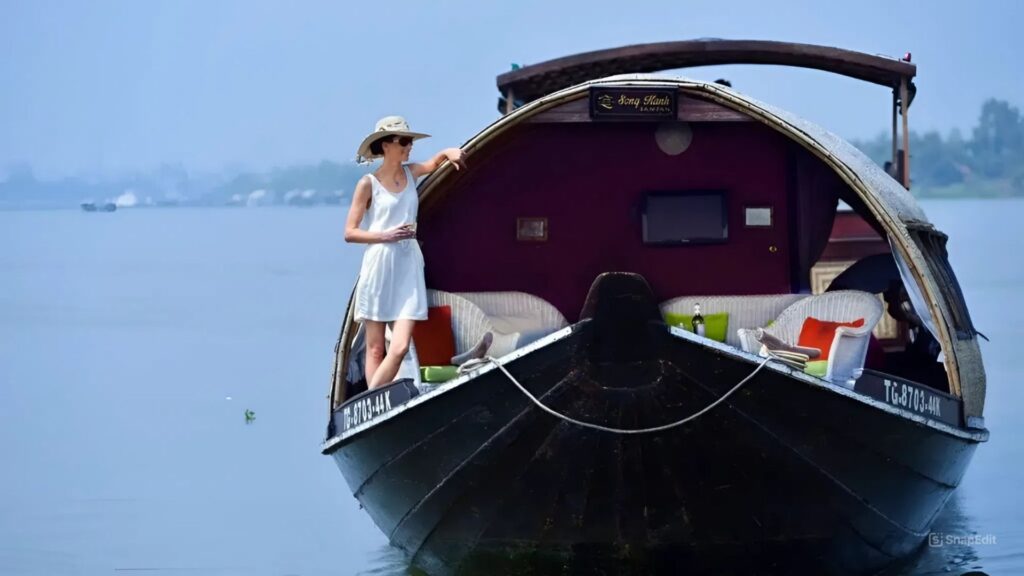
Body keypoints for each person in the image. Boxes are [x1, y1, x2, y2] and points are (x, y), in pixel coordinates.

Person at [345, 116, 466, 390]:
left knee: (398, 347)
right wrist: (384, 235)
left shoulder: (411, 173)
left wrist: (449, 152)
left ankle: (372, 397)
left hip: (408, 263)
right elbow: (350, 232)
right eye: (404, 141)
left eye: (410, 141)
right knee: (376, 349)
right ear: (386, 145)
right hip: (379, 263)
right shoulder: (367, 184)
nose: (410, 146)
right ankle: (375, 404)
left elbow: (435, 162)